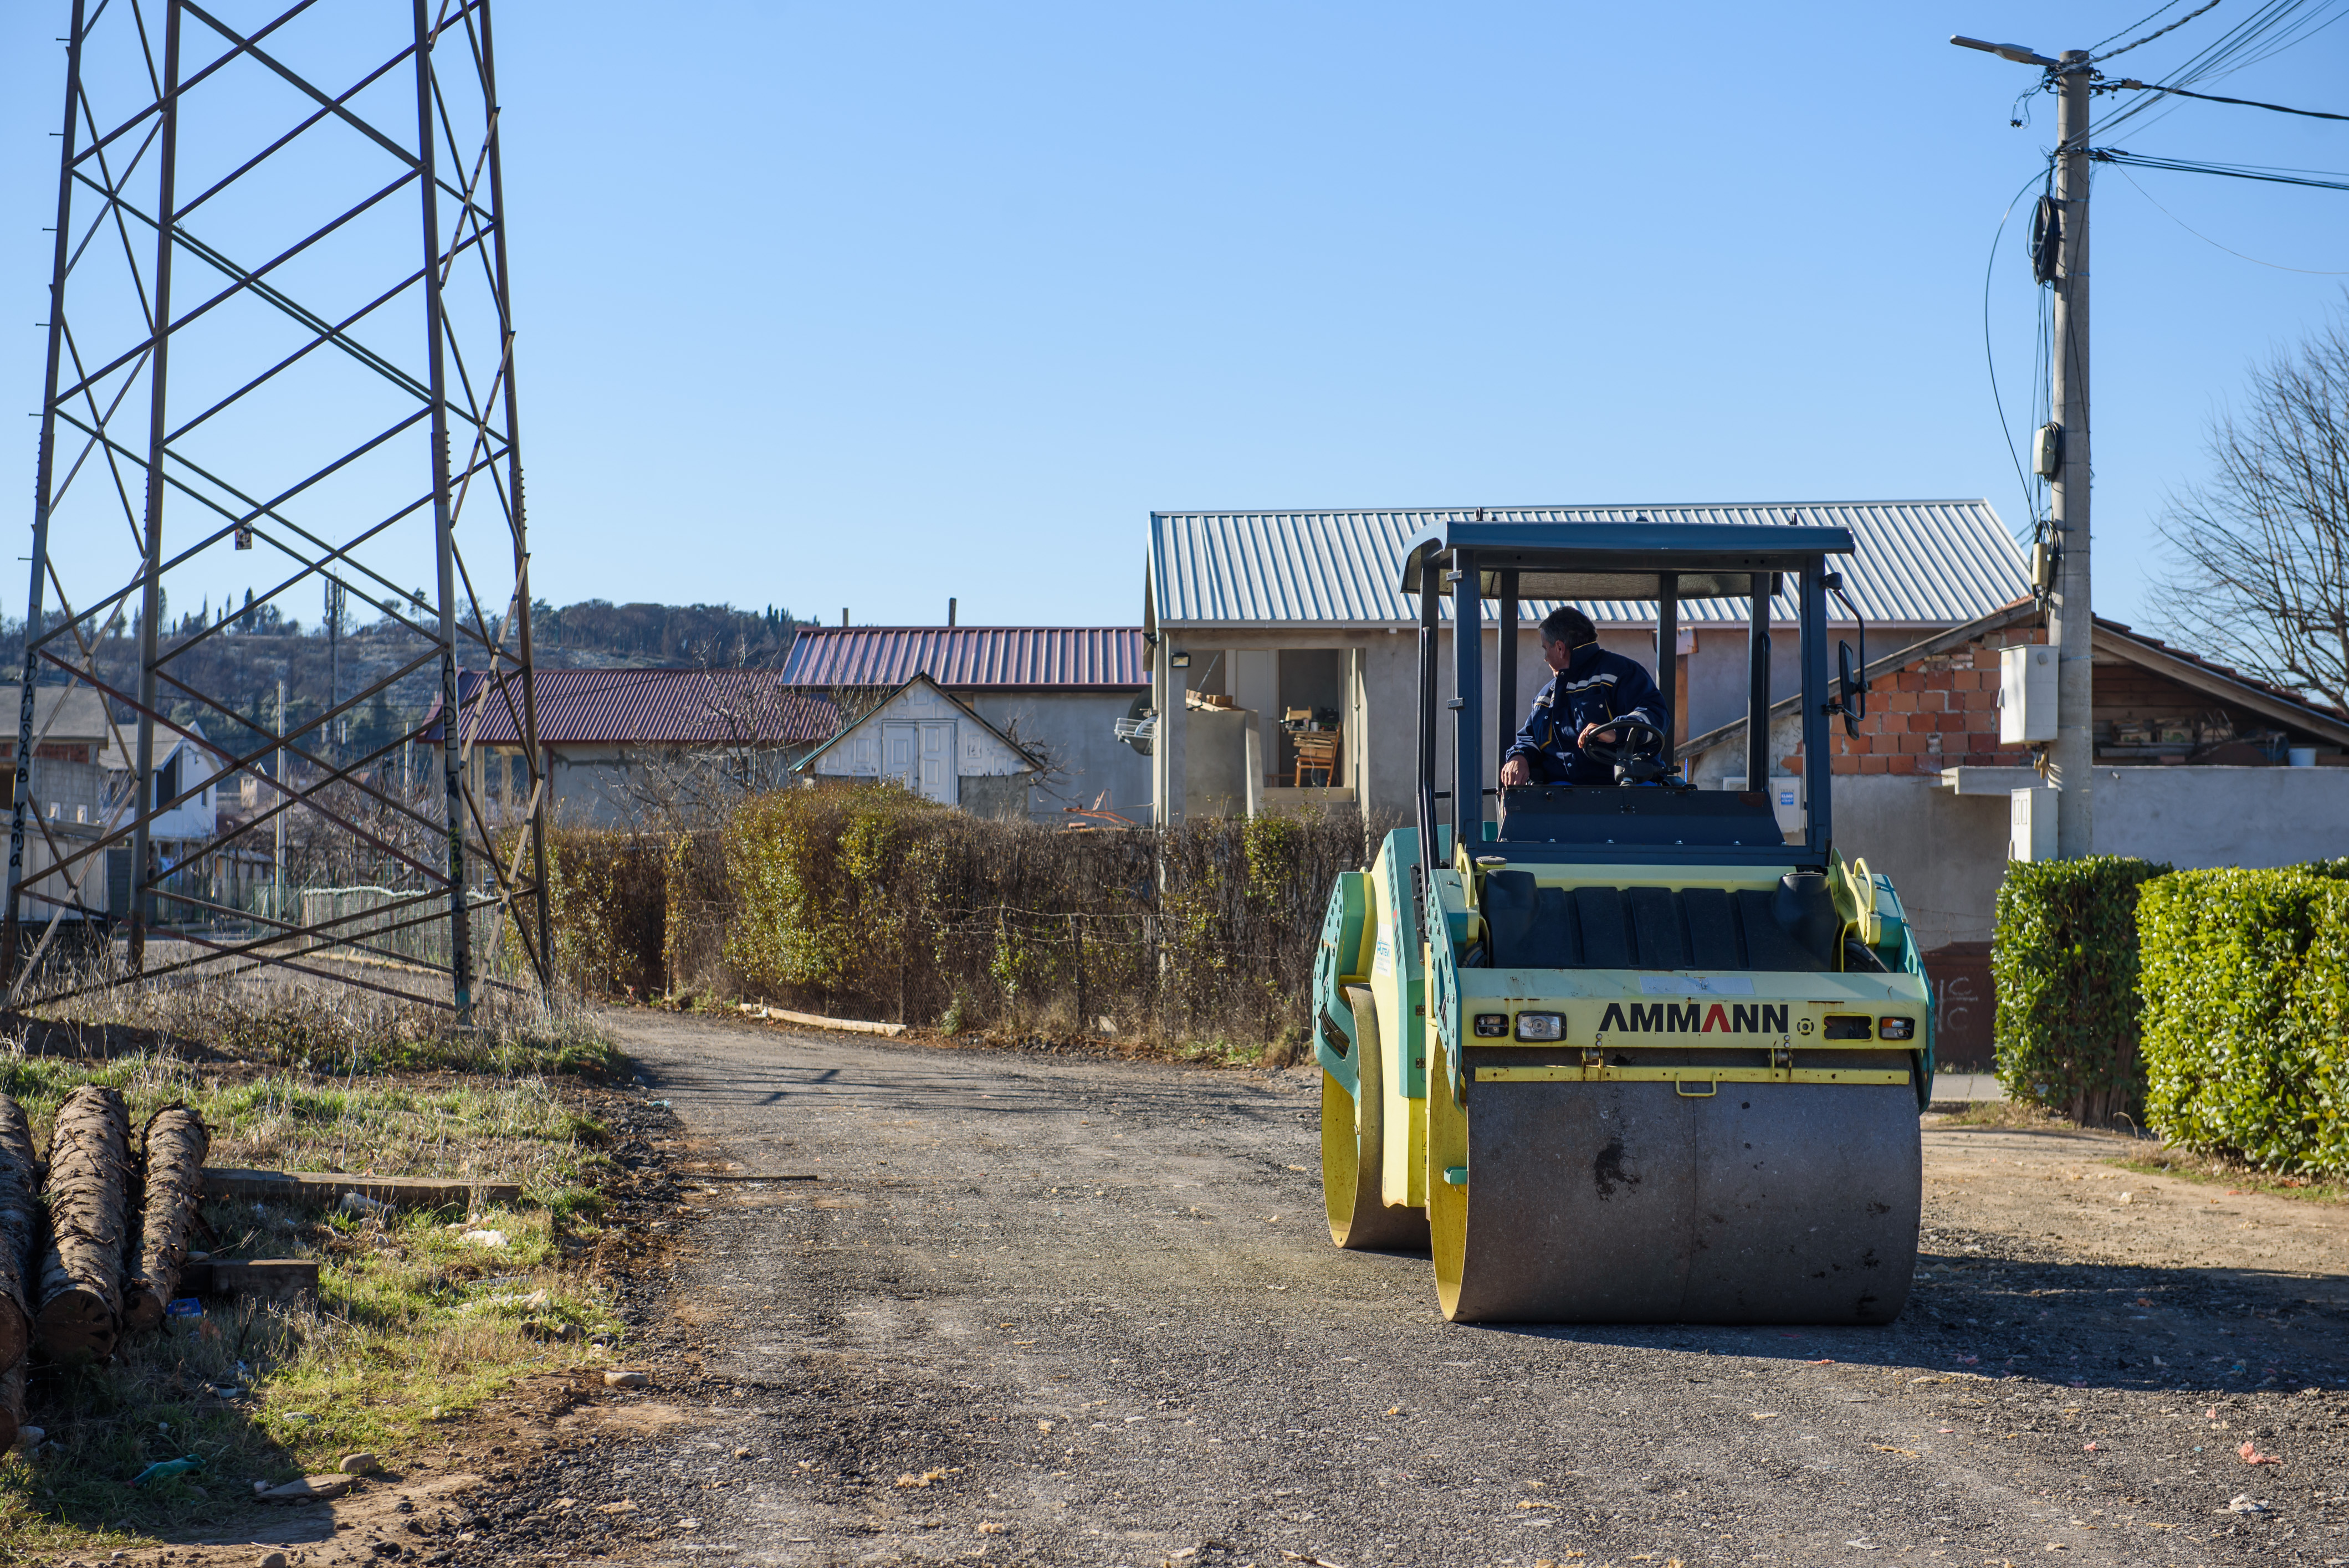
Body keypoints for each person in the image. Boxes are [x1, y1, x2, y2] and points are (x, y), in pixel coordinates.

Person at [1499, 606, 1671, 787]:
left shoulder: (1620, 673)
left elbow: (1655, 713)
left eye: (1545, 649)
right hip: (1562, 795)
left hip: (1623, 789)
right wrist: (1520, 757)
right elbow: (1529, 737)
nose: (1545, 658)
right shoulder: (1546, 697)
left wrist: (1615, 731)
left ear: (1559, 648)